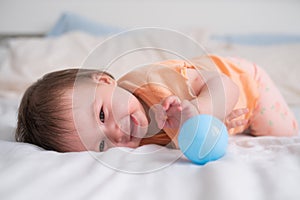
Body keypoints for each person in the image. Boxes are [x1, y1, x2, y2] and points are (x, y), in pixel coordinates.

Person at [15, 55, 299, 152]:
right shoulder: (133, 142)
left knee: (283, 136)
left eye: (101, 115)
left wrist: (201, 112)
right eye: (102, 145)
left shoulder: (157, 83)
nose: (115, 134)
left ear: (104, 81)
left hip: (249, 86)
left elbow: (226, 86)